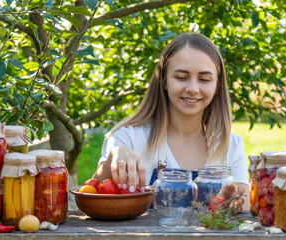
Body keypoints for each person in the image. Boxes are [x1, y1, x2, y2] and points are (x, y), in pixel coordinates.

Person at [93, 32, 249, 213]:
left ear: (217, 86)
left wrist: (235, 204)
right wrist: (114, 155)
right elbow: (92, 194)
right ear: (164, 80)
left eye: (204, 79)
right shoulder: (127, 138)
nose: (192, 89)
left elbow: (243, 212)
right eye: (181, 77)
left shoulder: (231, 145)